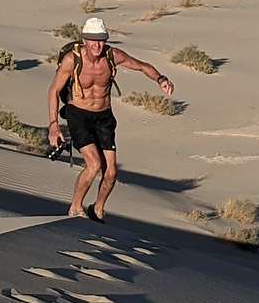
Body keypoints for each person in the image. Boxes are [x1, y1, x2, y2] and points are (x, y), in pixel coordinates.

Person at [47, 17, 173, 222]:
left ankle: (97, 209)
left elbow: (142, 66)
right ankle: (75, 208)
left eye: (101, 40)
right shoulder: (73, 59)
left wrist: (160, 79)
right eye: (92, 40)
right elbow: (54, 90)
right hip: (78, 115)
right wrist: (54, 125)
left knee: (111, 173)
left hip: (104, 117)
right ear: (84, 40)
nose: (97, 44)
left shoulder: (113, 56)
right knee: (94, 164)